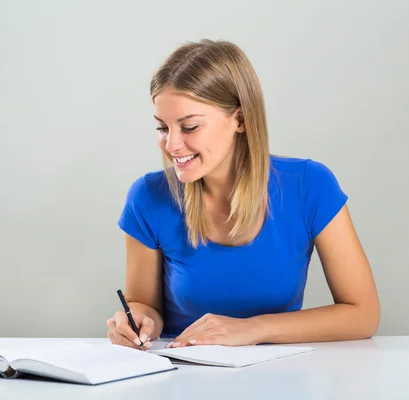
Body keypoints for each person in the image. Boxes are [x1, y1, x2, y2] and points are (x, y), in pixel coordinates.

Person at [106, 39, 379, 350]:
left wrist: (253, 329)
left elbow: (363, 314)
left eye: (190, 127)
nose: (171, 146)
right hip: (181, 374)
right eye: (162, 128)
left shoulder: (309, 185)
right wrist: (138, 319)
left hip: (281, 376)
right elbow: (143, 303)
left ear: (240, 119)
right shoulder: (148, 196)